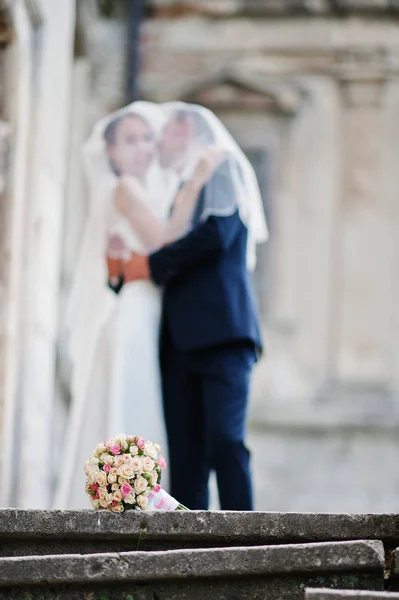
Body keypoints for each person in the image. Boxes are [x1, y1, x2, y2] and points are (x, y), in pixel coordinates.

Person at [54, 102, 219, 509]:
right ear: (111, 152)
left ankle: (139, 492)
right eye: (130, 141)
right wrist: (195, 185)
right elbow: (163, 240)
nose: (142, 147)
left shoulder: (153, 188)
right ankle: (125, 493)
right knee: (130, 395)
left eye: (147, 138)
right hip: (133, 314)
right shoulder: (124, 189)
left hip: (156, 310)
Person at [117, 102, 268, 510]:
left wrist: (150, 264)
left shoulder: (221, 167)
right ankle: (188, 552)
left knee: (226, 439)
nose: (156, 143)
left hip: (224, 332)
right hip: (178, 341)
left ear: (184, 128)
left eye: (161, 132)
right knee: (185, 458)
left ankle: (247, 541)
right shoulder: (183, 190)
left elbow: (217, 235)